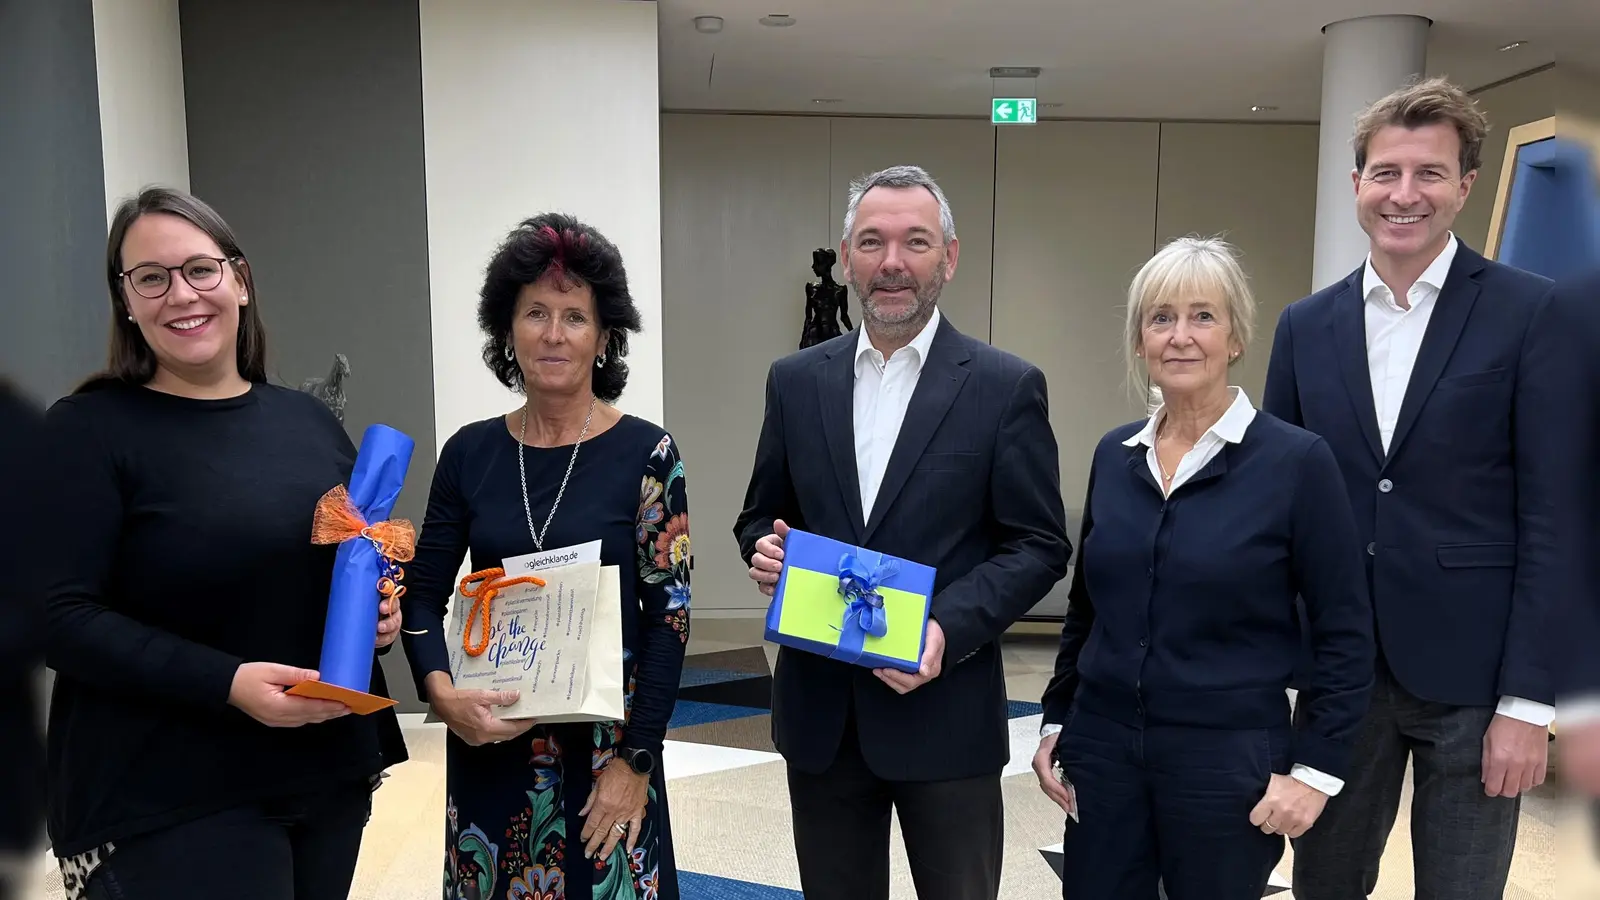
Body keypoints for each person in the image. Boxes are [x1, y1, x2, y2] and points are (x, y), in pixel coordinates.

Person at [39, 187, 408, 900]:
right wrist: (228, 684)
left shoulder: (305, 423)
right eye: (151, 277)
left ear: (239, 280)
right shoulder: (89, 430)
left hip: (323, 770)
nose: (181, 294)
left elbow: (336, 570)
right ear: (127, 301)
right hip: (167, 788)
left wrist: (381, 619)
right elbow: (61, 620)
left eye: (200, 269)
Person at [1262, 77, 1566, 899]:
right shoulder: (1304, 326)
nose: (1405, 195)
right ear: (1356, 182)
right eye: (1386, 173)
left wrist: (1530, 704)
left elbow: (1556, 517)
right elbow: (1276, 509)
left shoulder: (1532, 313)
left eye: (1429, 174)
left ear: (1465, 186)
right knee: (1324, 884)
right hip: (1339, 676)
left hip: (1476, 681)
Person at [734, 164, 1071, 900]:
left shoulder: (1004, 386)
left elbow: (1040, 543)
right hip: (823, 721)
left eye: (915, 242)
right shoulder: (794, 381)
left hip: (945, 714)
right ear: (848, 257)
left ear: (947, 258)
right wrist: (765, 546)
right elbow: (762, 513)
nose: (892, 263)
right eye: (872, 242)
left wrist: (946, 628)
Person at [1033, 236, 1373, 900]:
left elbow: (1345, 632)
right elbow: (1087, 609)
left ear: (1236, 337)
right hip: (1103, 750)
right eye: (1161, 318)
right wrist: (1056, 719)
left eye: (1202, 316)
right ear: (1140, 340)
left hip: (1227, 761)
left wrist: (1315, 772)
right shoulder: (1114, 455)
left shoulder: (1297, 463)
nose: (1180, 336)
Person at [400, 213, 689, 900]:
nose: (554, 334)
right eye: (535, 313)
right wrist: (439, 692)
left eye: (574, 316)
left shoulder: (648, 453)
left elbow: (669, 619)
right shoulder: (469, 453)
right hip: (492, 741)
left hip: (608, 754)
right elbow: (420, 594)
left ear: (604, 337)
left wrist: (637, 762)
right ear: (507, 329)